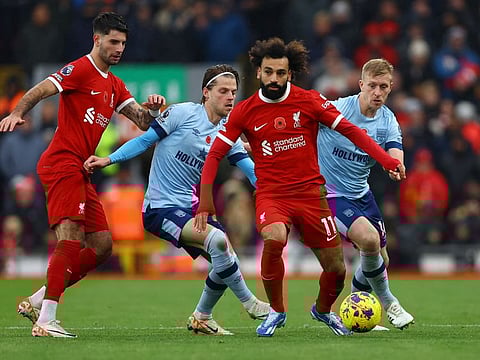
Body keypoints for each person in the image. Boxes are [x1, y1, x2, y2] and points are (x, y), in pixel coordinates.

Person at [193, 37, 405, 337]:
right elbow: (215, 153)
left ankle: (323, 309)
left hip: (311, 195)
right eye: (268, 72)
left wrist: (385, 159)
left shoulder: (309, 101)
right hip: (272, 195)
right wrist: (205, 200)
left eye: (281, 73)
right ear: (259, 73)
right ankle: (276, 312)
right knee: (274, 237)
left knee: (336, 269)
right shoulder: (245, 110)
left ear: (289, 73)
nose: (274, 79)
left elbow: (350, 130)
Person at [0, 12, 166, 338]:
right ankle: (46, 321)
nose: (119, 48)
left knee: (102, 246)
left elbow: (143, 122)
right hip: (63, 162)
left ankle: (37, 300)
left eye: (123, 43)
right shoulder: (80, 69)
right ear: (97, 39)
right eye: (113, 42)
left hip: (83, 169)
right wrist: (17, 111)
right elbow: (41, 89)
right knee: (71, 237)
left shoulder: (115, 85)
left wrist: (156, 110)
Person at [83, 64, 269, 336]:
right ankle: (251, 304)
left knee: (226, 259)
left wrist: (272, 192)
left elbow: (251, 171)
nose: (230, 97)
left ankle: (202, 317)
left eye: (233, 92)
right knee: (218, 242)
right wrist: (109, 159)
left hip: (190, 208)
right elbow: (145, 140)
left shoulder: (228, 131)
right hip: (159, 209)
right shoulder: (181, 113)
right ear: (206, 93)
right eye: (223, 91)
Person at [317, 58, 415, 330]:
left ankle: (355, 309)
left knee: (381, 260)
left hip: (362, 194)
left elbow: (395, 151)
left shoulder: (387, 121)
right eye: (372, 86)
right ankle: (390, 304)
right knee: (369, 241)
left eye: (383, 87)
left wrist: (396, 165)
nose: (378, 92)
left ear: (391, 88)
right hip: (330, 195)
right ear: (361, 84)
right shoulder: (337, 111)